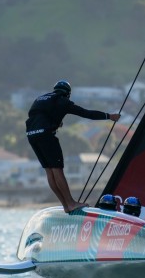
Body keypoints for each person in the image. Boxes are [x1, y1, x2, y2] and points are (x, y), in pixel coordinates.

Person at [25, 80, 120, 213]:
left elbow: (37, 115)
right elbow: (88, 114)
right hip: (46, 136)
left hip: (31, 135)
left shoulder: (40, 99)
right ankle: (71, 203)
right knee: (57, 169)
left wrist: (55, 121)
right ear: (68, 94)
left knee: (49, 171)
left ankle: (65, 205)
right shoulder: (63, 101)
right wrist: (109, 116)